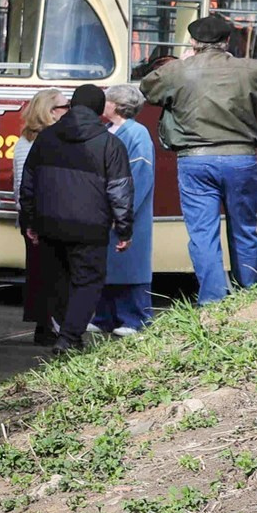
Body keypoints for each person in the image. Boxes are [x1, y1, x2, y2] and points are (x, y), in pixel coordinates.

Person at [144, 13, 257, 300]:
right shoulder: (250, 69)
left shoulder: (176, 71)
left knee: (203, 233)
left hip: (195, 159)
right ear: (227, 41)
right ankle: (250, 295)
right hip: (240, 158)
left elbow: (148, 89)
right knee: (244, 228)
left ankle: (213, 299)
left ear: (193, 42)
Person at [17, 83, 133, 351]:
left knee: (58, 281)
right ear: (98, 109)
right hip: (90, 227)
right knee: (87, 281)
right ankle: (69, 337)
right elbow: (120, 190)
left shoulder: (45, 138)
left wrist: (30, 222)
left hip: (49, 224)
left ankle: (65, 332)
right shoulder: (110, 144)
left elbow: (28, 184)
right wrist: (124, 229)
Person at [100, 84, 158, 335]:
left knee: (130, 264)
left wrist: (125, 211)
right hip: (108, 208)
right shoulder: (107, 130)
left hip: (126, 210)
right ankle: (105, 316)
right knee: (108, 264)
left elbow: (141, 175)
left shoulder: (137, 134)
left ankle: (135, 317)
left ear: (116, 105)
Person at [13, 89, 66, 345]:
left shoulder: (28, 140)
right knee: (47, 273)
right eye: (63, 107)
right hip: (38, 217)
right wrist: (30, 219)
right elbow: (23, 183)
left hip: (37, 215)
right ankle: (46, 325)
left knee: (42, 272)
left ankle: (46, 324)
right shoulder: (34, 142)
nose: (68, 111)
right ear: (50, 111)